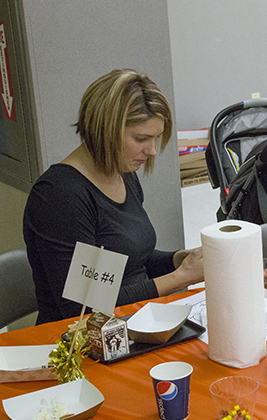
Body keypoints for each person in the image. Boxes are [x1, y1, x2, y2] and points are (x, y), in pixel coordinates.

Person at [23, 69, 204, 324]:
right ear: (105, 130)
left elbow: (129, 260)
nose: (152, 151)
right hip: (79, 343)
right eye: (141, 138)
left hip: (133, 323)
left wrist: (177, 261)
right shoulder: (59, 196)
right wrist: (181, 277)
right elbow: (83, 309)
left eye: (156, 138)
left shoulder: (122, 172)